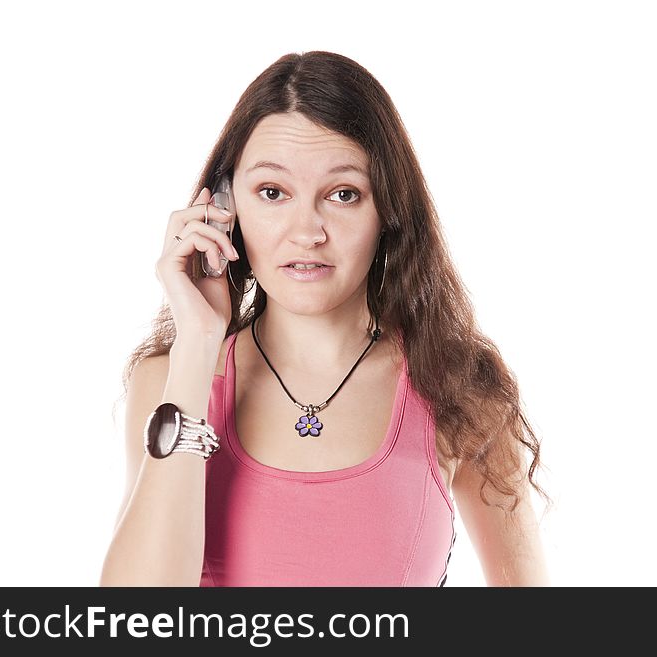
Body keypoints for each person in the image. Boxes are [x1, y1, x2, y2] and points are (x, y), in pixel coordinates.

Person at [100, 51, 552, 587]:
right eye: (272, 193)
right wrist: (198, 346)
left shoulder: (458, 386)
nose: (306, 231)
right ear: (225, 207)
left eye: (343, 195)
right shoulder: (168, 384)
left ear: (388, 209)